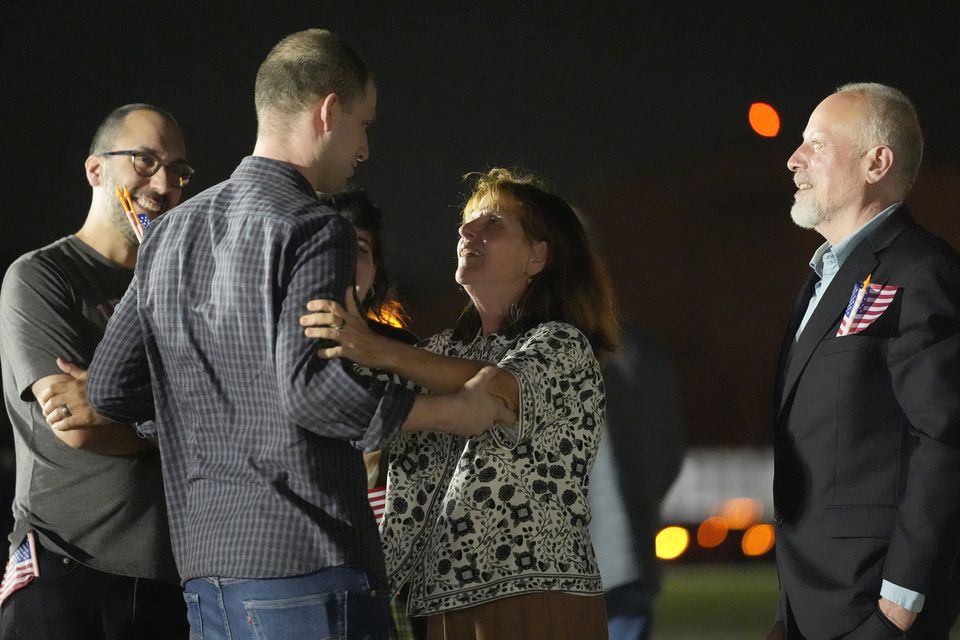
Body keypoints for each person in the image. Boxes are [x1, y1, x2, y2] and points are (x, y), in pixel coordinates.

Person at [85, 29, 511, 640]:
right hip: (308, 563)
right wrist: (453, 412)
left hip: (207, 574)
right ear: (328, 111)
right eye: (364, 124)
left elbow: (109, 387)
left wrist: (206, 419)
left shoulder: (171, 232)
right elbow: (312, 393)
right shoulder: (313, 227)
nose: (364, 148)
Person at [300, 167, 619, 639]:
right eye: (467, 223)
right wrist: (342, 273)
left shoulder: (563, 346)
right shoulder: (441, 351)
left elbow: (499, 388)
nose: (467, 231)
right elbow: (335, 384)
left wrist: (375, 348)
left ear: (538, 257)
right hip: (437, 607)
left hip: (530, 601)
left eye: (493, 223)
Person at [768, 83, 960, 639]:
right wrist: (787, 611)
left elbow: (945, 438)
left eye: (817, 144)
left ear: (877, 162)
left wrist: (899, 606)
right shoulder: (820, 281)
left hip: (874, 608)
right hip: (812, 604)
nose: (794, 159)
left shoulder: (923, 272)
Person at [0, 103, 192, 639]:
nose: (164, 182)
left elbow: (243, 406)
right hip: (69, 569)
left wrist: (123, 403)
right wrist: (192, 417)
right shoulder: (42, 277)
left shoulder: (187, 292)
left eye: (178, 170)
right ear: (96, 170)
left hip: (175, 578)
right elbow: (78, 423)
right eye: (144, 160)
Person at [588, 321, 684, 640]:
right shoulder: (635, 348)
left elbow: (665, 449)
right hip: (621, 566)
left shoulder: (631, 349)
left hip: (623, 570)